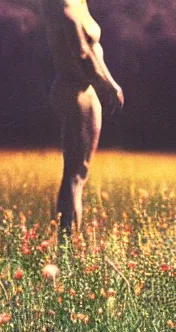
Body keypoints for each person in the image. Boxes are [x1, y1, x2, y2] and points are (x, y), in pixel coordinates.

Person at [43, 0, 124, 234]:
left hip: (82, 89)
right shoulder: (64, 3)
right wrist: (108, 85)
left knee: (78, 174)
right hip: (76, 89)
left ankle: (70, 246)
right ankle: (68, 249)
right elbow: (81, 51)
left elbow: (91, 50)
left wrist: (109, 83)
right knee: (75, 176)